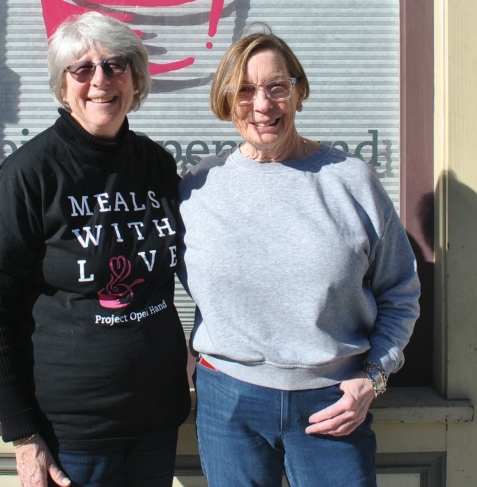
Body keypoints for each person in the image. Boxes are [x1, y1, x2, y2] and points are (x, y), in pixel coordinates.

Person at [178, 28, 420, 487]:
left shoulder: (350, 181)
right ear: (226, 102)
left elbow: (400, 291)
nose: (263, 105)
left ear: (300, 93)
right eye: (244, 91)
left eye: (277, 87)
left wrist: (375, 376)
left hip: (331, 401)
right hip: (229, 403)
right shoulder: (198, 188)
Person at [0, 12, 191, 487]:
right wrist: (24, 434)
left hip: (156, 421)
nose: (100, 81)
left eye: (115, 65)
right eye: (82, 69)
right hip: (72, 436)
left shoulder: (155, 163)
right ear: (63, 85)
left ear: (135, 77)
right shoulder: (31, 173)